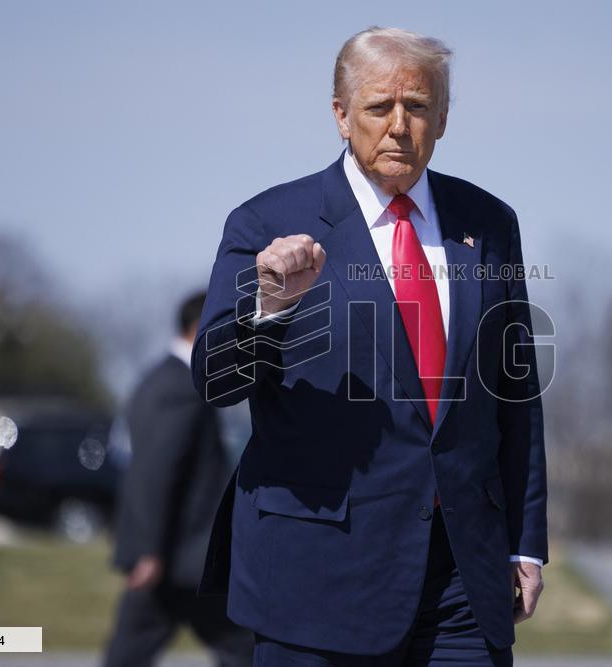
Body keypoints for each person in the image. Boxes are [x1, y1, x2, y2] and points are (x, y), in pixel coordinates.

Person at [191, 27, 548, 665]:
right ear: (340, 115)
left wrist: (525, 541)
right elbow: (217, 382)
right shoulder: (268, 224)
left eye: (417, 107)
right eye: (379, 107)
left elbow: (514, 393)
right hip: (319, 575)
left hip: (462, 579)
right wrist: (269, 306)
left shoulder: (489, 225)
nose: (398, 126)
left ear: (443, 118)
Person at [104, 293, 253, 666]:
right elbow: (155, 472)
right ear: (202, 328)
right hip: (178, 557)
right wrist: (149, 551)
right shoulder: (178, 386)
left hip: (179, 556)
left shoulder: (168, 380)